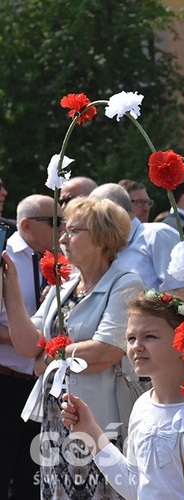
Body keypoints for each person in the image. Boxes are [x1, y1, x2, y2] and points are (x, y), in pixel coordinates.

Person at [2, 197, 144, 499]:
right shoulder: (64, 287)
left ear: (102, 238)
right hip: (58, 421)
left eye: (72, 230)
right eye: (63, 229)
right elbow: (29, 346)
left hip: (102, 423)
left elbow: (106, 351)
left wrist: (51, 355)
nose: (62, 237)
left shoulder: (127, 283)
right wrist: (10, 285)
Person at [60, 290, 184, 499]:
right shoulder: (141, 407)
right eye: (130, 338)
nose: (137, 346)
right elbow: (133, 486)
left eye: (150, 337)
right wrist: (89, 430)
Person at [0, 194, 60, 498]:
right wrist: (34, 339)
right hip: (6, 384)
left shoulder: (61, 260)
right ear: (25, 224)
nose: (62, 229)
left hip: (42, 390)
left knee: (33, 480)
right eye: (55, 222)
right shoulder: (4, 256)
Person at [90, 183, 184, 295]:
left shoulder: (158, 235)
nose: (89, 220)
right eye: (140, 202)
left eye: (92, 213)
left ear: (110, 211)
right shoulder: (103, 248)